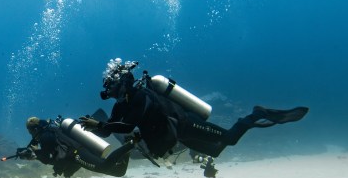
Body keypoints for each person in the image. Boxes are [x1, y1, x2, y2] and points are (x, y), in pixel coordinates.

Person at [79, 59, 308, 162]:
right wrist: (94, 129)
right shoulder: (121, 105)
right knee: (216, 152)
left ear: (123, 83)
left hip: (185, 124)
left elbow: (127, 125)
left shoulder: (141, 95)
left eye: (113, 87)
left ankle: (257, 114)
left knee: (229, 139)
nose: (112, 93)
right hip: (179, 135)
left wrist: (99, 125)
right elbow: (110, 130)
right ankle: (257, 117)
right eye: (109, 90)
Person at [17, 116, 136, 178]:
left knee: (103, 167)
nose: (31, 135)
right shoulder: (49, 131)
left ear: (35, 129)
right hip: (76, 154)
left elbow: (49, 158)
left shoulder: (45, 136)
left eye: (30, 132)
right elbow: (58, 154)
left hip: (77, 154)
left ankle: (131, 143)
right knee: (119, 172)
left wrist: (34, 155)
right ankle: (127, 149)